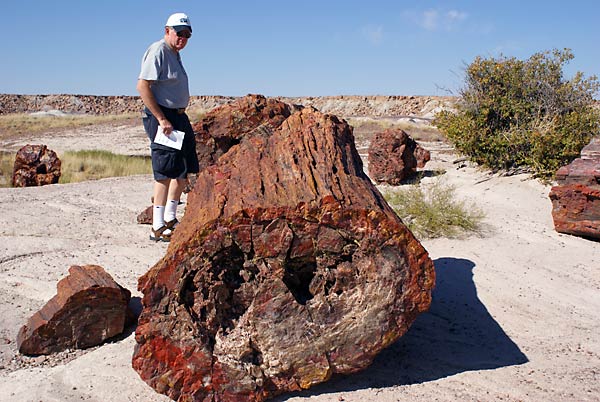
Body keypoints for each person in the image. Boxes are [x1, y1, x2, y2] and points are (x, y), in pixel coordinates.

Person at [137, 12, 199, 242]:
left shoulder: (175, 53)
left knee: (183, 168)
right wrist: (161, 119)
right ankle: (157, 225)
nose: (183, 38)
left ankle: (171, 217)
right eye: (179, 32)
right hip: (164, 117)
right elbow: (143, 86)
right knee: (164, 171)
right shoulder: (159, 50)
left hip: (179, 116)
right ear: (167, 31)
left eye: (187, 34)